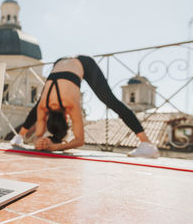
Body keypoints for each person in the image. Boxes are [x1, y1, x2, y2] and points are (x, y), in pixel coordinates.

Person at [10, 55, 159, 158]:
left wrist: (52, 146)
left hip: (84, 64)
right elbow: (37, 137)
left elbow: (79, 141)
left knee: (110, 100)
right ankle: (18, 137)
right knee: (112, 102)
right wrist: (39, 142)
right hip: (60, 63)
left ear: (66, 117)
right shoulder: (44, 105)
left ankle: (148, 145)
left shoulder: (69, 104)